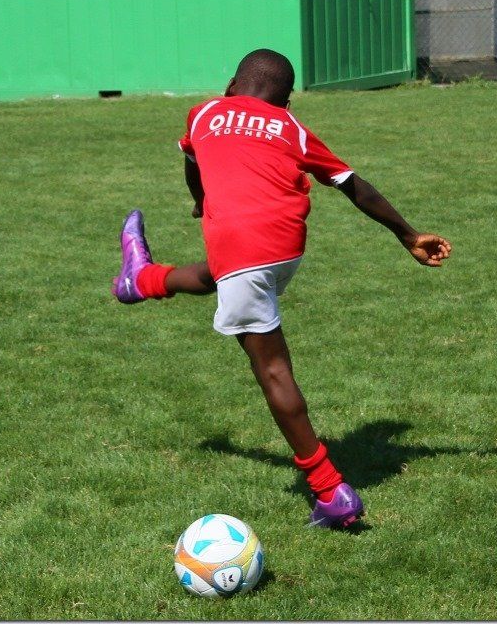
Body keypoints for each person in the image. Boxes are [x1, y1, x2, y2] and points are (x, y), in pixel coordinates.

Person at [112, 49, 452, 529]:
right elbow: (354, 185)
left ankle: (330, 490)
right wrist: (408, 235)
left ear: (231, 86)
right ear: (286, 102)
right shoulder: (291, 128)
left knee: (272, 369)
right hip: (286, 248)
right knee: (223, 274)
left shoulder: (204, 113)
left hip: (245, 249)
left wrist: (201, 202)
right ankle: (141, 280)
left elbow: (193, 161)